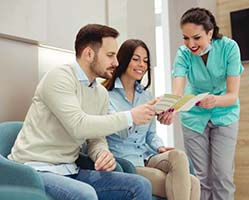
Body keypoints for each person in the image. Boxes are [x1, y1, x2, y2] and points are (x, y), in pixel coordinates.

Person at [8, 24, 156, 200]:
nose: (116, 62)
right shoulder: (59, 78)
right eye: (110, 55)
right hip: (35, 169)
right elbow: (79, 126)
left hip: (70, 169)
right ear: (89, 54)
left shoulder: (100, 92)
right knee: (85, 194)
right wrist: (130, 116)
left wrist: (101, 153)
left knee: (140, 185)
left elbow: (96, 138)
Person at [103, 39, 201, 200]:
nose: (142, 64)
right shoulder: (106, 95)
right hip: (125, 162)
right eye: (136, 59)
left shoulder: (146, 95)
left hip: (147, 156)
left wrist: (159, 147)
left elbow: (150, 135)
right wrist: (136, 115)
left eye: (145, 61)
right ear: (123, 59)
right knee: (192, 184)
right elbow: (119, 132)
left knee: (179, 156)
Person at [171, 8, 244, 200]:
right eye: (185, 38)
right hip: (193, 117)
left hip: (225, 114)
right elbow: (177, 91)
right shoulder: (183, 53)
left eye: (196, 37)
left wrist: (215, 101)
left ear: (210, 33)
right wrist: (170, 108)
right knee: (199, 178)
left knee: (222, 175)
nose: (190, 44)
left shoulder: (229, 48)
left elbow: (232, 95)